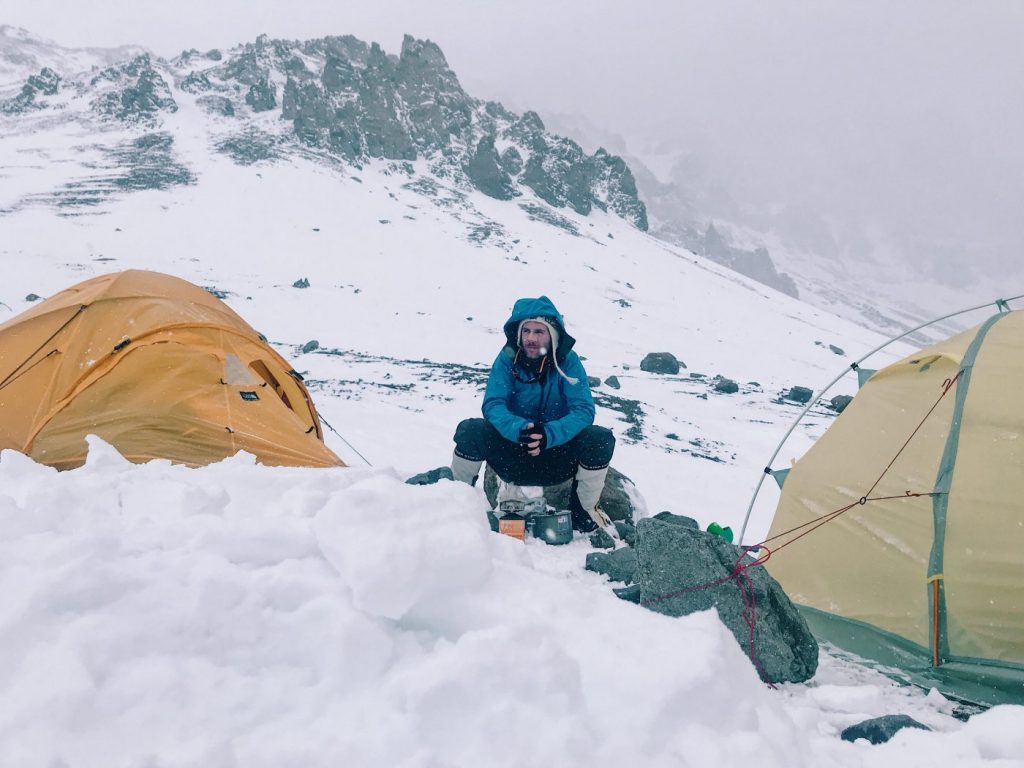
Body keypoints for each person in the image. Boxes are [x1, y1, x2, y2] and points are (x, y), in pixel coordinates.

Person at [450, 296, 615, 532]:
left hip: (555, 457)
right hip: (513, 452)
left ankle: (584, 515)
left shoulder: (568, 362)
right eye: (526, 331)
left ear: (553, 335)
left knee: (599, 439)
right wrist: (521, 430)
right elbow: (493, 404)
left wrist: (548, 434)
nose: (530, 338)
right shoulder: (507, 359)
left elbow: (583, 410)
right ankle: (456, 507)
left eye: (539, 331)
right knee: (471, 430)